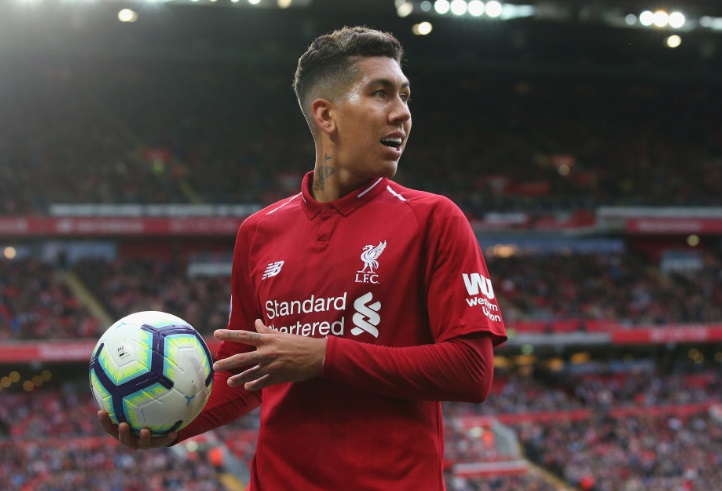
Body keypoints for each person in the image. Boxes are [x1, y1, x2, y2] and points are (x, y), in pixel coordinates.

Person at [99, 26, 507, 490]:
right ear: (326, 114)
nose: (402, 112)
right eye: (381, 93)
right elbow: (241, 372)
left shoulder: (433, 219)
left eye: (405, 96)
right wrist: (170, 427)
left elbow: (472, 372)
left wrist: (325, 356)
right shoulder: (259, 232)